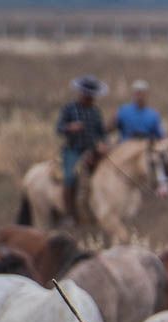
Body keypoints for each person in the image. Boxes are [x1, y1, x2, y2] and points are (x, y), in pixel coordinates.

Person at [56, 75, 110, 224]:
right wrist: (70, 127)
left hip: (92, 151)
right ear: (81, 93)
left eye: (92, 96)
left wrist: (105, 144)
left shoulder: (95, 112)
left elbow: (102, 133)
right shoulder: (69, 109)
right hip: (73, 150)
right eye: (88, 95)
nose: (90, 98)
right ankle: (68, 214)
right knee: (70, 178)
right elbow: (58, 128)